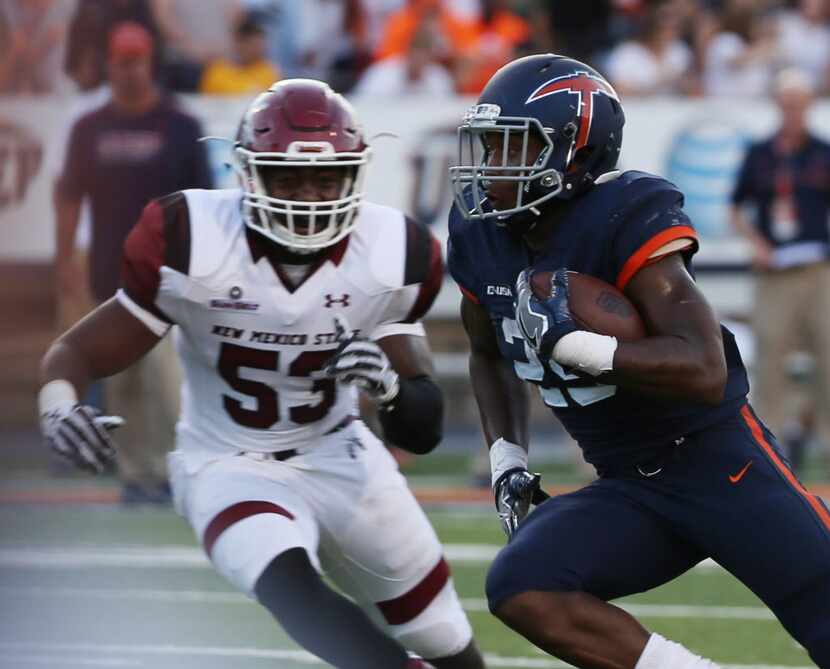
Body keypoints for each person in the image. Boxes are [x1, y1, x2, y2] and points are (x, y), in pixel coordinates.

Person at [39, 79, 485, 669]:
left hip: (341, 455)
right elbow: (77, 351)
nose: (307, 197)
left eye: (325, 179)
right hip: (228, 462)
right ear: (249, 175)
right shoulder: (194, 239)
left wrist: (392, 388)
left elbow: (421, 432)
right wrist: (59, 403)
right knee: (288, 586)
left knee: (441, 635)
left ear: (354, 176)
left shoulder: (390, 252)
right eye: (289, 178)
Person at [446, 53, 830, 668]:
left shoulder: (621, 216)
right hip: (628, 485)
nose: (492, 167)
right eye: (490, 147)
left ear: (573, 151)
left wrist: (581, 348)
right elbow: (485, 353)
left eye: (513, 148)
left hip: (720, 466)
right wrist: (506, 462)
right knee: (524, 586)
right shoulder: (481, 235)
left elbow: (704, 371)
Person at [54, 21, 213, 503]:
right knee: (122, 385)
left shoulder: (181, 126)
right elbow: (68, 196)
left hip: (168, 277)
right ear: (109, 64)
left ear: (149, 62)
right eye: (120, 61)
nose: (127, 70)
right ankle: (134, 474)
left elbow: (205, 201)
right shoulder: (89, 128)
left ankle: (169, 470)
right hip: (111, 274)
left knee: (167, 384)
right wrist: (65, 260)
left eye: (135, 60)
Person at [729, 68, 830, 474]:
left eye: (799, 105)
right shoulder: (761, 153)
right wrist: (758, 244)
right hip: (774, 272)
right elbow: (736, 208)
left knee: (828, 350)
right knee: (771, 354)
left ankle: (825, 439)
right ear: (778, 106)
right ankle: (770, 442)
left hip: (817, 269)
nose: (793, 111)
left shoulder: (822, 152)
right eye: (787, 104)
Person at [199, 12, 281, 96]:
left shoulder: (268, 71)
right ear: (239, 43)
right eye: (253, 45)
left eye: (261, 45)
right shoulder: (217, 71)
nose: (259, 50)